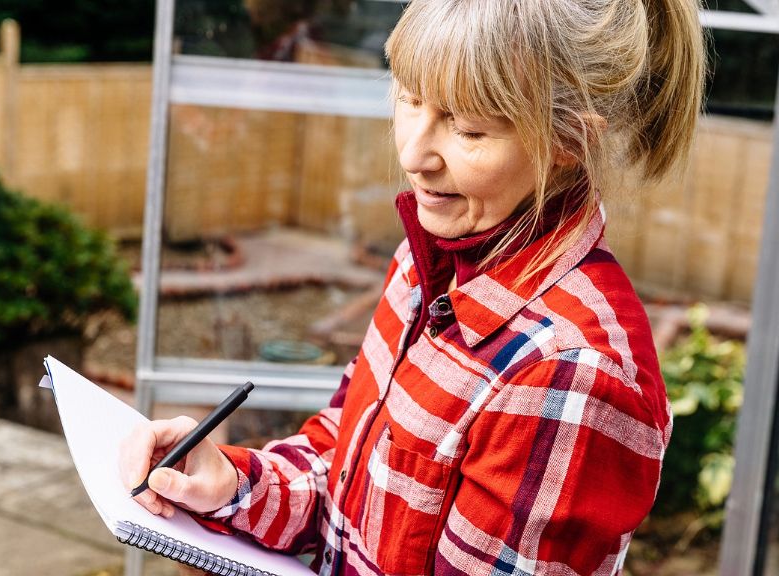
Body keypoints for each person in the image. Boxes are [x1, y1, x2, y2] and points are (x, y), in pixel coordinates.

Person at [119, 0, 705, 573]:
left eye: (468, 128)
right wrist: (230, 484)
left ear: (569, 144)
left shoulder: (572, 374)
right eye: (409, 97)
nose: (413, 153)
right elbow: (344, 463)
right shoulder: (427, 260)